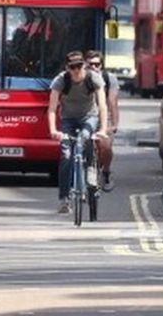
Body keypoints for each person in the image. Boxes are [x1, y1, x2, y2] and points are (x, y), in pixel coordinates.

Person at [48, 51, 108, 214]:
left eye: (79, 66)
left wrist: (102, 129)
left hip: (89, 117)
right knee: (66, 156)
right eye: (72, 67)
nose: (76, 70)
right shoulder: (61, 80)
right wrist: (53, 130)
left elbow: (102, 105)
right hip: (68, 119)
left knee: (84, 137)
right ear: (67, 68)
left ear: (84, 65)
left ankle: (90, 167)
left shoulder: (93, 78)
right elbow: (52, 108)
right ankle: (64, 199)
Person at [85, 50, 118, 191]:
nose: (93, 67)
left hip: (103, 117)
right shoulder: (79, 78)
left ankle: (106, 172)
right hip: (85, 116)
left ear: (101, 66)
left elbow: (112, 102)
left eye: (97, 64)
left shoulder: (109, 78)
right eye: (90, 64)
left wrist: (114, 124)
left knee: (105, 146)